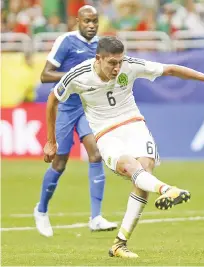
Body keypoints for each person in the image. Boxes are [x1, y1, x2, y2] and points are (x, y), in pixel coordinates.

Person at [43, 36, 204, 258]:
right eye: (112, 63)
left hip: (134, 125)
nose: (117, 68)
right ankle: (167, 190)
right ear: (98, 59)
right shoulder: (78, 75)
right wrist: (51, 140)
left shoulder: (130, 65)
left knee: (144, 174)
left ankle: (119, 244)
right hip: (107, 133)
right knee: (131, 167)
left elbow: (171, 69)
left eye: (119, 62)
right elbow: (53, 99)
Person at [33, 5, 117, 237]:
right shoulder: (66, 42)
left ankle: (96, 217)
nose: (91, 25)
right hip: (66, 108)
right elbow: (45, 75)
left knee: (96, 154)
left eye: (95, 21)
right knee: (60, 163)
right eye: (87, 21)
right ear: (77, 21)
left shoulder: (101, 45)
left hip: (88, 109)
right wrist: (75, 76)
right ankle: (41, 210)